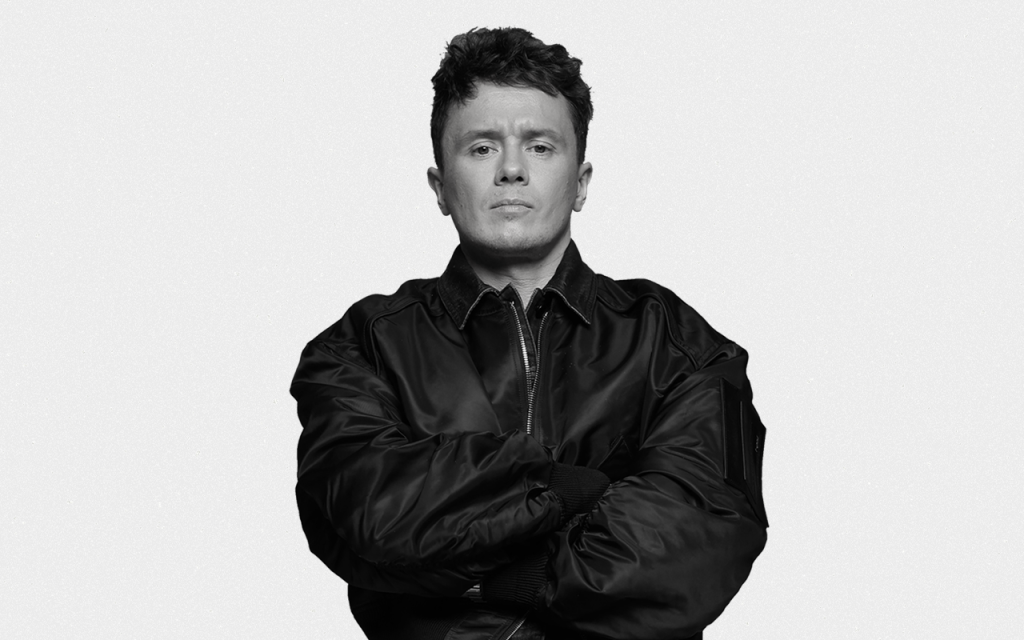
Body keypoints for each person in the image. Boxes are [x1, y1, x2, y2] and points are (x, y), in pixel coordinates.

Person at [291, 27, 768, 640]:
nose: (512, 170)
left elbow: (697, 544)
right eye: (482, 148)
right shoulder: (361, 346)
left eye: (540, 147)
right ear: (440, 187)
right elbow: (367, 512)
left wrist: (501, 574)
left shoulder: (679, 345)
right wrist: (565, 490)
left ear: (581, 182)